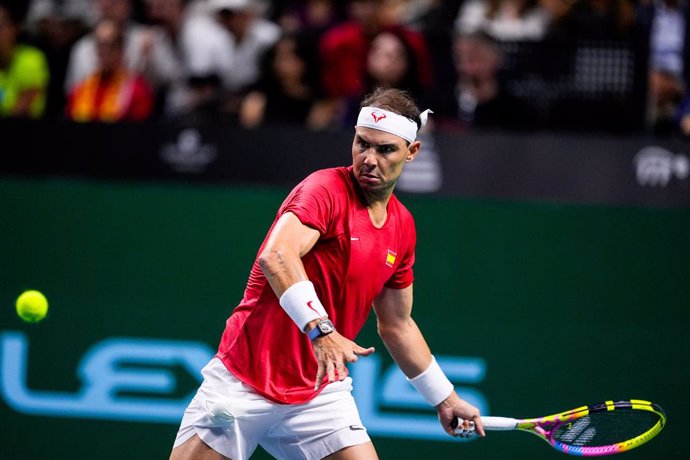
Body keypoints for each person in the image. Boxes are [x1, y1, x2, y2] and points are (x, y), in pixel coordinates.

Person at [169, 87, 485, 460]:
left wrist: (444, 398)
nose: (369, 159)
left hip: (319, 390)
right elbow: (277, 256)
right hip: (245, 378)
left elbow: (397, 325)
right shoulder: (324, 189)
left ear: (412, 152)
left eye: (385, 150)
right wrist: (321, 329)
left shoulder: (402, 227)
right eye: (362, 144)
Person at [65, 18, 154, 122]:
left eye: (110, 45)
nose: (104, 52)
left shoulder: (136, 89)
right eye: (100, 45)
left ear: (121, 50)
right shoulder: (80, 89)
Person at [0, 2, 50, 119]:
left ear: (14, 28)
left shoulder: (31, 60)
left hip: (25, 132)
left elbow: (20, 112)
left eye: (0, 26)